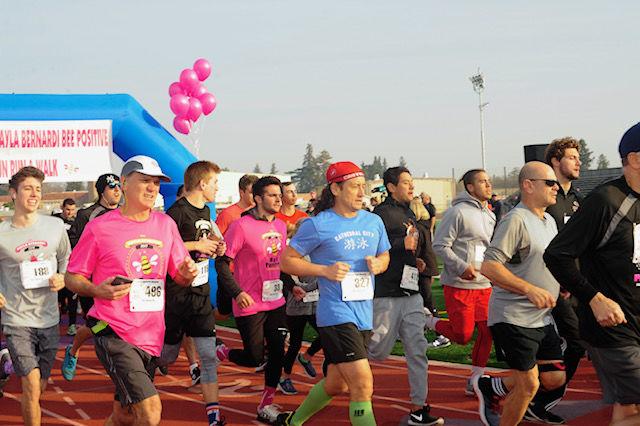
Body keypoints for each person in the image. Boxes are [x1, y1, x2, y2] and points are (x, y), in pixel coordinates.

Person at [64, 155, 198, 426]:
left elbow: (179, 275)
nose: (152, 188)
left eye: (156, 183)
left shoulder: (165, 225)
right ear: (124, 183)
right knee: (150, 413)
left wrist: (186, 274)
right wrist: (95, 290)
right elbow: (71, 277)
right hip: (112, 331)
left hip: (150, 334)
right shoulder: (100, 227)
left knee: (122, 416)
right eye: (145, 181)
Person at [276, 161, 391, 426]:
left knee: (336, 384)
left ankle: (293, 422)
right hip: (336, 314)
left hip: (364, 313)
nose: (362, 193)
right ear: (336, 189)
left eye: (364, 187)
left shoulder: (373, 221)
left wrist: (380, 264)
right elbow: (287, 261)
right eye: (355, 187)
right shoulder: (317, 225)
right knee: (362, 385)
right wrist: (324, 271)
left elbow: (384, 254)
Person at [543, 123, 640, 426]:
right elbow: (556, 254)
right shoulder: (606, 201)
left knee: (629, 411)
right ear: (635, 160)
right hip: (613, 328)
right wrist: (595, 299)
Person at [474, 161, 566, 426]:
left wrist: (562, 285)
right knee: (528, 384)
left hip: (542, 317)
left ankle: (492, 387)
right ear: (528, 185)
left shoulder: (548, 220)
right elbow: (489, 266)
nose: (555, 188)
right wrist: (529, 289)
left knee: (554, 378)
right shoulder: (515, 220)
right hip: (513, 317)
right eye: (549, 183)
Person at [369, 167, 445, 425]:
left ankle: (419, 408)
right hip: (386, 293)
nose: (411, 187)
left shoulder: (409, 212)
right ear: (391, 186)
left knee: (417, 350)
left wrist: (417, 262)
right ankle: (341, 367)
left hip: (410, 292)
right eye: (405, 183)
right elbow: (373, 247)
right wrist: (402, 245)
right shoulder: (380, 214)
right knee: (377, 350)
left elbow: (409, 248)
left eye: (412, 182)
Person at [214, 176, 289, 423]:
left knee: (278, 353)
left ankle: (266, 405)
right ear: (257, 198)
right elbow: (222, 264)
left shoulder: (280, 225)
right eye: (273, 195)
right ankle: (222, 351)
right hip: (250, 302)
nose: (279, 199)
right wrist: (238, 292)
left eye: (280, 194)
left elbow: (280, 262)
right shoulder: (241, 226)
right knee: (255, 358)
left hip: (275, 300)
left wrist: (292, 286)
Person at [157, 160, 227, 425]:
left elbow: (206, 244)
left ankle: (214, 417)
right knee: (169, 356)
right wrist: (195, 244)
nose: (218, 188)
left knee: (208, 357)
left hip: (200, 294)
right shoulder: (175, 213)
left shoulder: (206, 212)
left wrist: (217, 248)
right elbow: (162, 249)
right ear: (202, 183)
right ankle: (135, 382)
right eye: (215, 183)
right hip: (176, 296)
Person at [0, 166, 71, 425]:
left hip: (49, 319)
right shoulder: (2, 233)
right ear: (13, 194)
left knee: (39, 388)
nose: (34, 194)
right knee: (30, 386)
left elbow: (66, 258)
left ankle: (4, 361)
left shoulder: (55, 227)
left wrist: (63, 276)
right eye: (28, 188)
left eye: (38, 189)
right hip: (17, 319)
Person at [522, 137, 583, 423]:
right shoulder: (545, 203)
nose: (578, 162)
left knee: (574, 342)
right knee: (573, 340)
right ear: (555, 163)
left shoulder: (577, 200)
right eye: (571, 157)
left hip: (575, 284)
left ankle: (533, 397)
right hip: (551, 285)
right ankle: (533, 398)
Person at [430, 169, 495, 394]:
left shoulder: (490, 214)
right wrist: (461, 266)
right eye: (482, 181)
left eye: (489, 181)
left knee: (488, 332)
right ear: (469, 187)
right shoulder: (456, 213)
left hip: (484, 285)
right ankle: (429, 322)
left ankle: (475, 379)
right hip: (460, 285)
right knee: (463, 336)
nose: (488, 185)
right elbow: (439, 245)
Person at [61, 173, 122, 381]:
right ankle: (74, 349)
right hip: (93, 282)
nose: (117, 190)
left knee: (116, 325)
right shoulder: (88, 214)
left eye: (119, 186)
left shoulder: (126, 213)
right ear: (101, 191)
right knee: (98, 326)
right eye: (111, 186)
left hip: (118, 280)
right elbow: (80, 249)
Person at [408, 198, 450, 350]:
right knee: (421, 301)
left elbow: (417, 250)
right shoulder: (424, 228)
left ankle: (441, 334)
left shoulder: (418, 229)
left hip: (423, 269)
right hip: (427, 268)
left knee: (427, 302)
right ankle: (424, 329)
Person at [215, 174, 259, 317]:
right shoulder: (228, 214)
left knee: (252, 310)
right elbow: (216, 239)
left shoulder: (259, 214)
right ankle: (205, 328)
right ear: (241, 192)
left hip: (251, 272)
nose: (255, 195)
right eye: (252, 192)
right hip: (230, 272)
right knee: (224, 312)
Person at [54, 198, 78, 335]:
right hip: (56, 265)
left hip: (72, 266)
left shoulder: (76, 224)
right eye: (67, 209)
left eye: (72, 210)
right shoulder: (54, 221)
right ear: (62, 208)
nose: (70, 212)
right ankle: (54, 322)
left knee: (72, 295)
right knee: (57, 296)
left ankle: (72, 324)